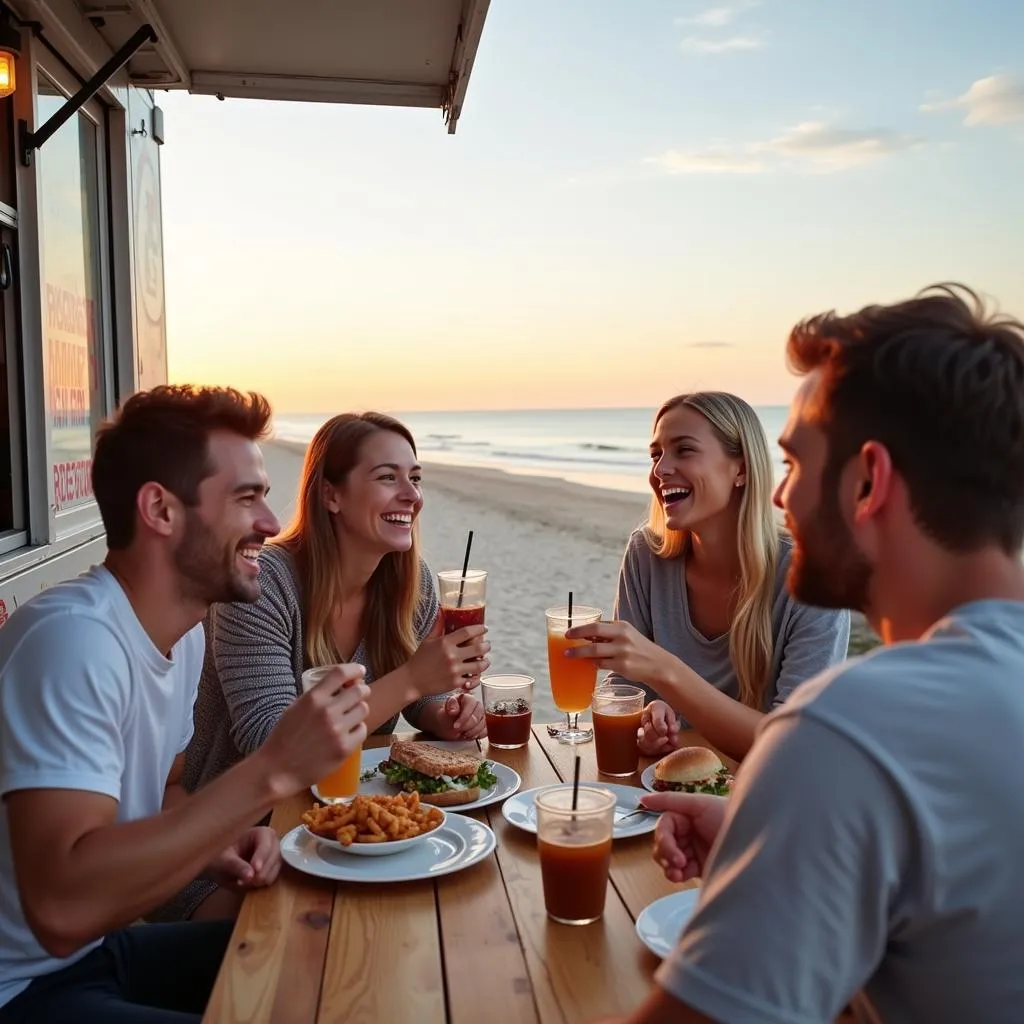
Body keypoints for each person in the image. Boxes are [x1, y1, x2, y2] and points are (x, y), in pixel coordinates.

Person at [598, 284, 1024, 1024]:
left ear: (868, 483)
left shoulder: (849, 728)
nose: (778, 497)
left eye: (793, 464)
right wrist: (787, 838)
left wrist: (804, 806)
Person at [0, 385, 371, 1023]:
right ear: (160, 510)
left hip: (93, 953)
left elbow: (168, 791)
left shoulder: (185, 635)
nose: (269, 523)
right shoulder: (74, 643)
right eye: (246, 497)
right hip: (22, 986)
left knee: (337, 950)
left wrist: (209, 845)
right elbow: (60, 910)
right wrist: (274, 770)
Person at [166, 412, 489, 922]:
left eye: (416, 478)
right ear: (331, 495)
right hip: (234, 844)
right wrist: (411, 681)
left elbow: (414, 698)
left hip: (353, 829)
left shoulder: (413, 584)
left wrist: (440, 710)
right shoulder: (262, 584)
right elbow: (271, 738)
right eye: (388, 477)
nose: (412, 495)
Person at [565, 391, 849, 761]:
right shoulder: (646, 555)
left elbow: (793, 748)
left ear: (741, 468)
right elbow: (625, 686)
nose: (660, 469)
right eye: (656, 455)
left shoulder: (813, 583)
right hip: (669, 787)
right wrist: (645, 719)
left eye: (683, 450)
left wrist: (666, 672)